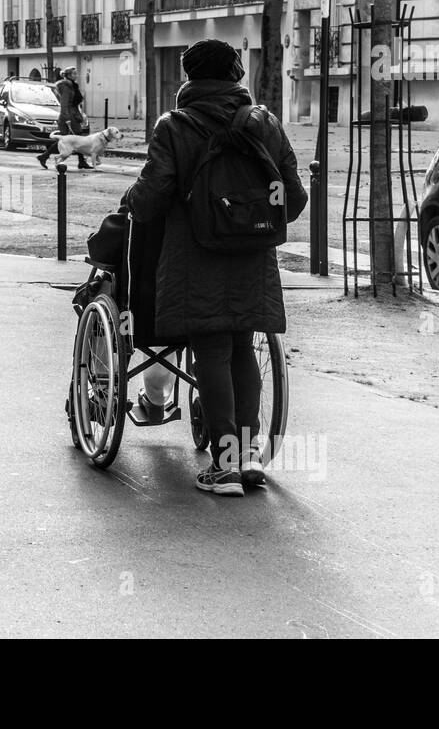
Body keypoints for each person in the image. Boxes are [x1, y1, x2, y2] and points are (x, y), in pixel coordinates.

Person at [121, 39, 306, 497]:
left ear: (189, 77)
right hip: (253, 255)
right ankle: (245, 456)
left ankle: (224, 467)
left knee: (211, 349)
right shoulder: (264, 123)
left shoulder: (175, 126)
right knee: (243, 345)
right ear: (237, 74)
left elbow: (154, 193)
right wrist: (253, 217)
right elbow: (296, 196)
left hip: (196, 255)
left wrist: (130, 204)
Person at [37, 66, 89, 169]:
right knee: (68, 140)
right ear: (68, 75)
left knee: (76, 139)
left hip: (73, 114)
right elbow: (64, 104)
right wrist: (67, 119)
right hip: (68, 116)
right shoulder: (65, 86)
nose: (76, 75)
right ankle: (44, 156)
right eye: (74, 74)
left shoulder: (72, 85)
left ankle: (81, 161)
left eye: (76, 73)